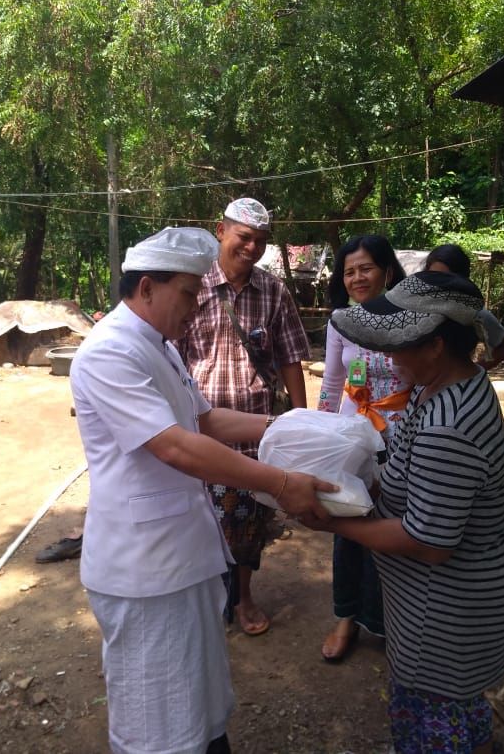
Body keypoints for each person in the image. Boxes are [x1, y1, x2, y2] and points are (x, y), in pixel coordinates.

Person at [73, 226, 333, 754]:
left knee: (195, 704)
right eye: (189, 294)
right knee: (157, 720)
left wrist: (283, 427)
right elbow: (177, 446)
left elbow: (205, 420)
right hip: (144, 571)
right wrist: (281, 482)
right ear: (147, 288)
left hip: (179, 556)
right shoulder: (109, 352)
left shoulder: (158, 346)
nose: (196, 306)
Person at [301, 270, 504, 754]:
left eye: (398, 345)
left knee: (438, 727)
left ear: (437, 345)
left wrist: (333, 522)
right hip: (448, 609)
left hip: (444, 620)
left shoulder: (448, 426)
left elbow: (429, 543)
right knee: (461, 718)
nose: (389, 356)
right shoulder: (447, 386)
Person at [178, 198, 310, 636]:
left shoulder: (273, 291)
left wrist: (300, 418)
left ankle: (243, 596)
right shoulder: (190, 287)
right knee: (197, 518)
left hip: (256, 428)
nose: (252, 248)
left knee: (249, 520)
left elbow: (291, 357)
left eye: (260, 242)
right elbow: (170, 356)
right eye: (244, 237)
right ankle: (203, 597)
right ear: (221, 230)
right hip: (198, 429)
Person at [316, 235, 411, 662]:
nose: (356, 277)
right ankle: (346, 618)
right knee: (350, 521)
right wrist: (321, 428)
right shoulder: (340, 322)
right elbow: (334, 383)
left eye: (365, 268)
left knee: (396, 527)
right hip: (354, 438)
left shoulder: (410, 317)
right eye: (349, 270)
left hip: (404, 437)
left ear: (386, 271)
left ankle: (392, 621)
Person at [425, 244, 504, 369]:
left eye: (447, 278)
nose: (440, 284)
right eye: (434, 277)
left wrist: (477, 370)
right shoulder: (415, 306)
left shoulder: (473, 312)